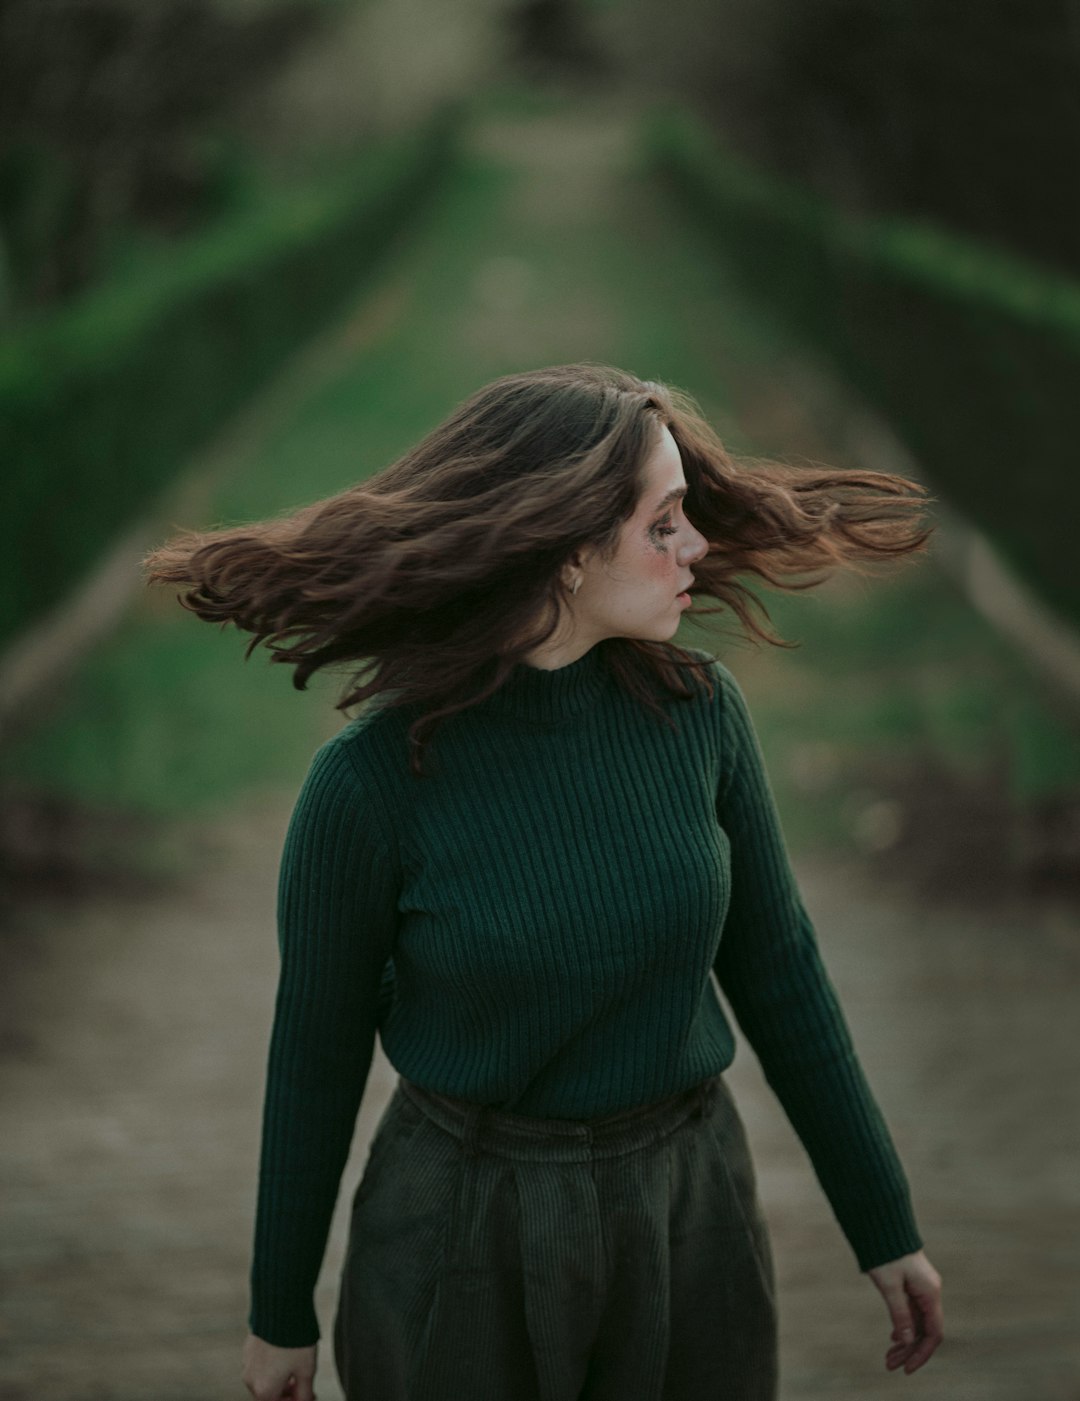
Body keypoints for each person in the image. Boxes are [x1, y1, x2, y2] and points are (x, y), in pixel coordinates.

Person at [143, 363, 945, 1401]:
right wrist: (278, 1311)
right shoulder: (374, 783)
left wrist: (884, 1227)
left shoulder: (700, 715)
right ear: (569, 553)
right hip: (465, 1229)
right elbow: (314, 1054)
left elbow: (782, 972)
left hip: (690, 1209)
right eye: (663, 526)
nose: (695, 547)